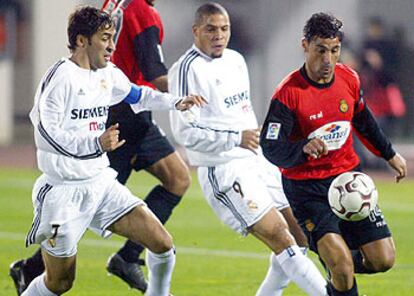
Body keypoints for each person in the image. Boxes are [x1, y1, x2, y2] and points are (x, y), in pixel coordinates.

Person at [16, 6, 205, 296]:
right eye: (105, 38)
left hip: (101, 184)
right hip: (62, 192)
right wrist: (95, 144)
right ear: (82, 40)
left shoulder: (108, 74)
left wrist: (175, 102)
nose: (112, 46)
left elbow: (138, 94)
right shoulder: (60, 78)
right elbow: (44, 135)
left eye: (113, 37)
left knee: (162, 244)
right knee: (60, 283)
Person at [169, 3, 328, 295]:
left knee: (301, 235)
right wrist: (234, 138)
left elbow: (243, 116)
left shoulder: (236, 60)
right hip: (224, 168)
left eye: (224, 29)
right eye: (211, 29)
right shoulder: (186, 69)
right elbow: (184, 132)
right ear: (196, 31)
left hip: (257, 160)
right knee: (281, 237)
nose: (219, 35)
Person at [260, 12, 407, 296]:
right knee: (341, 266)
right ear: (305, 45)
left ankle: (336, 266)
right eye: (321, 50)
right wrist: (300, 149)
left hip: (349, 181)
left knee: (383, 259)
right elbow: (270, 146)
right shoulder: (288, 94)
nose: (328, 59)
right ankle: (337, 265)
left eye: (335, 50)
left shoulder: (349, 79)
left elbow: (363, 121)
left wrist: (390, 154)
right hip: (307, 189)